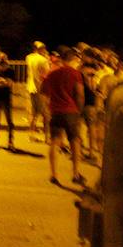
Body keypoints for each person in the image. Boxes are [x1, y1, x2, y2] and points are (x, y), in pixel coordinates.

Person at [41, 47, 86, 186]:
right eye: (77, 60)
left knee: (54, 142)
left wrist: (47, 110)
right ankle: (75, 174)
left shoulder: (52, 74)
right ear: (73, 59)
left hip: (56, 111)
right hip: (71, 111)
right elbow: (80, 94)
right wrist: (79, 111)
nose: (78, 62)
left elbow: (43, 94)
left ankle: (54, 175)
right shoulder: (76, 74)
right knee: (74, 143)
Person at [25, 41, 50, 141]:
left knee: (34, 112)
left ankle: (31, 134)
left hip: (30, 87)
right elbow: (47, 74)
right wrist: (47, 58)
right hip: (40, 87)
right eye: (43, 48)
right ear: (40, 49)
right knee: (46, 113)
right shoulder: (43, 60)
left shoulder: (28, 57)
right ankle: (47, 137)